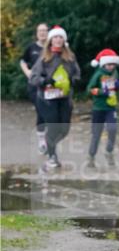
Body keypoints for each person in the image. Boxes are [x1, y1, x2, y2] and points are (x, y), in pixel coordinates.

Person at [28, 26, 80, 173]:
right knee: (53, 126)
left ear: (64, 40)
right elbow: (33, 77)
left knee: (64, 129)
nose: (58, 40)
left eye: (60, 37)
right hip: (47, 98)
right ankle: (52, 156)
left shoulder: (69, 57)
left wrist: (73, 80)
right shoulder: (44, 57)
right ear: (51, 40)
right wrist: (45, 81)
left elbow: (77, 73)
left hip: (64, 97)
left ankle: (49, 143)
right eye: (55, 37)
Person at [86, 48, 119, 170]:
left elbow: (117, 87)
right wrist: (102, 91)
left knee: (113, 130)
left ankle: (109, 152)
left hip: (111, 108)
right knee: (96, 134)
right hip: (98, 108)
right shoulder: (98, 74)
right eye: (109, 64)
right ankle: (91, 157)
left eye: (113, 64)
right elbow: (89, 89)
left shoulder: (115, 73)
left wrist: (118, 86)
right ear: (103, 64)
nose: (111, 67)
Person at [20, 22, 49, 153]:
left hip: (49, 84)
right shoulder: (31, 48)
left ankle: (47, 136)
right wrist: (27, 73)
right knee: (41, 109)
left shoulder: (52, 47)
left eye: (44, 30)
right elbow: (22, 61)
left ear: (48, 32)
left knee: (50, 111)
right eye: (40, 31)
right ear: (37, 33)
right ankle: (42, 141)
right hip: (34, 85)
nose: (42, 33)